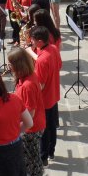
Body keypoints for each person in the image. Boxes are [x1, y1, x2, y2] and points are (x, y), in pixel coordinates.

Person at [8, 48, 45, 176]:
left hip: (32, 128)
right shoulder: (25, 79)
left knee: (33, 159)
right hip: (29, 126)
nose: (9, 67)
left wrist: (15, 128)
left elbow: (30, 113)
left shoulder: (28, 85)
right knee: (26, 156)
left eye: (11, 64)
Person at [29, 26, 61, 166]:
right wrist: (31, 51)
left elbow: (40, 85)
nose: (31, 41)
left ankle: (43, 157)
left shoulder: (41, 61)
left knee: (44, 130)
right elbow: (58, 65)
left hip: (45, 99)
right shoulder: (53, 48)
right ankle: (52, 151)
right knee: (53, 126)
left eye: (33, 40)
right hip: (54, 94)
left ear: (40, 41)